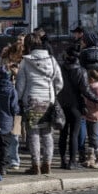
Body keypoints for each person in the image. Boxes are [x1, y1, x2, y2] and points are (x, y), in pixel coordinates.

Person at [15, 32, 63, 175]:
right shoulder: (52, 60)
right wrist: (53, 94)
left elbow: (20, 85)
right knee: (48, 133)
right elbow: (59, 82)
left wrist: (19, 99)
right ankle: (47, 164)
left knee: (33, 134)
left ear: (28, 46)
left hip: (31, 101)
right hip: (48, 100)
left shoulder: (25, 61)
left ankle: (35, 165)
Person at [82, 68, 98, 168]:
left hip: (95, 115)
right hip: (91, 115)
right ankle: (91, 158)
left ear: (92, 79)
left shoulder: (96, 89)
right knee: (91, 137)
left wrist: (90, 105)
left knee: (93, 137)